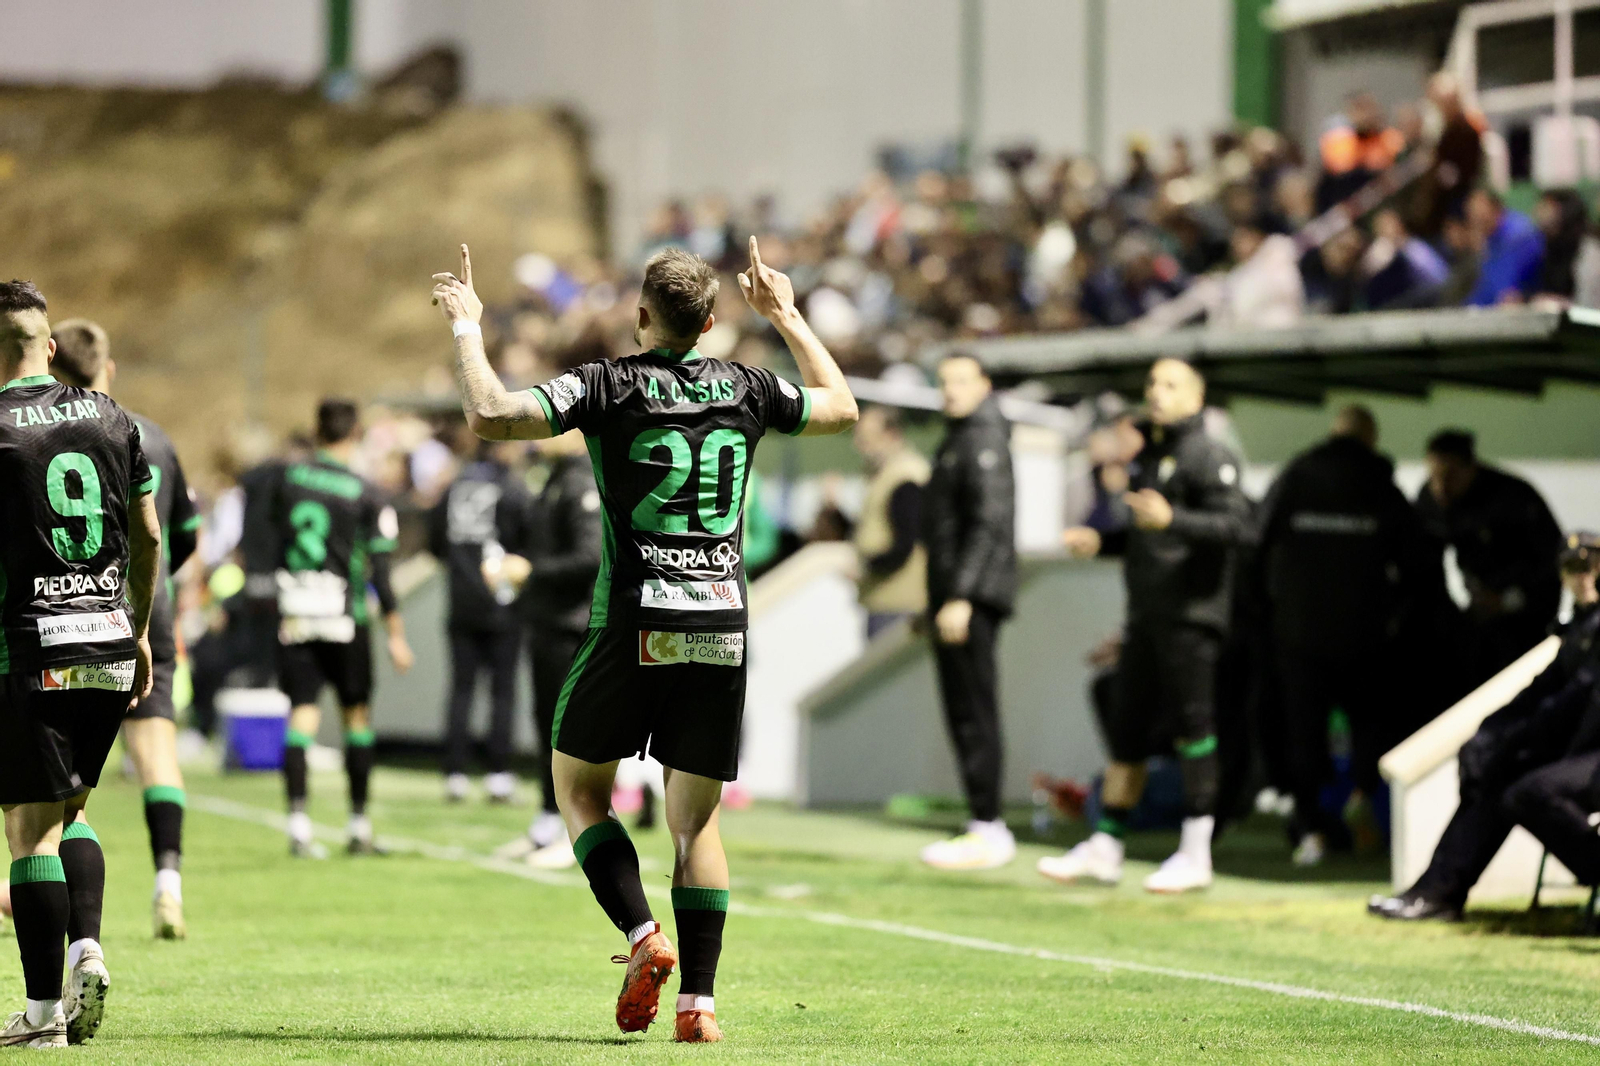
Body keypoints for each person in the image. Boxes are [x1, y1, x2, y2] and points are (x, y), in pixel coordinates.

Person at [431, 239, 857, 1042]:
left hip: (635, 619)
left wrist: (466, 327)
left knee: (579, 789)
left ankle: (641, 934)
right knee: (696, 824)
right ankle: (699, 1005)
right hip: (722, 623)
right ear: (710, 322)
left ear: (639, 315)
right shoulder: (749, 387)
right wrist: (789, 314)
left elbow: (491, 414)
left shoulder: (609, 384)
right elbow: (841, 407)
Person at [0, 279, 162, 1047]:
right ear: (52, 345)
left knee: (29, 833)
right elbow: (152, 537)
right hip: (108, 641)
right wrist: (138, 629)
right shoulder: (110, 415)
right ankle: (86, 947)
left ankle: (39, 1020)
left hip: (30, 647)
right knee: (74, 813)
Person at [1044, 359, 1250, 893]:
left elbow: (1239, 528)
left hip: (1193, 619)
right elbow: (1146, 536)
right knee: (1126, 733)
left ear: (1197, 398)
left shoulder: (1210, 455)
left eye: (1171, 385)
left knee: (1194, 735)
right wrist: (1103, 543)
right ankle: (1107, 846)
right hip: (1144, 620)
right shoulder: (1149, 457)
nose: (1157, 392)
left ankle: (1196, 852)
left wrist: (1174, 519)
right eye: (1153, 383)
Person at [49, 319, 200, 938]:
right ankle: (169, 882)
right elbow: (184, 538)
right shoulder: (153, 436)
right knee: (157, 750)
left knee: (63, 779)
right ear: (107, 369)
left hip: (69, 611)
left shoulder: (44, 432)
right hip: (148, 610)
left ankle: (61, 916)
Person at [1370, 534, 1600, 921]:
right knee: (1495, 775)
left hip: (1591, 755)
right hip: (1578, 752)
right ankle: (1439, 890)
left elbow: (1575, 698)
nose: (1584, 577)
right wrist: (1489, 734)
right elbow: (1538, 692)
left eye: (1592, 566)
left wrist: (1512, 739)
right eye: (1574, 568)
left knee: (1529, 791)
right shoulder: (1577, 630)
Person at [1252, 406, 1427, 866]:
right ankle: (1365, 805)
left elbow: (1257, 542)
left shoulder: (1295, 477)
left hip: (1299, 637)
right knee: (1371, 730)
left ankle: (1310, 830)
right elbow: (1417, 565)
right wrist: (1392, 618)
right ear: (1372, 438)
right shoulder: (1381, 487)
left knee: (1303, 738)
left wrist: (1271, 614)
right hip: (1366, 640)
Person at [249, 399, 414, 857]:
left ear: (315, 431)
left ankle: (299, 826)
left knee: (302, 714)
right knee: (355, 716)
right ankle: (358, 826)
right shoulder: (366, 492)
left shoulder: (285, 479)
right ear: (356, 433)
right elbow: (381, 572)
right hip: (346, 617)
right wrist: (397, 635)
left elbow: (263, 537)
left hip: (297, 610)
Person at [918, 355, 1018, 871]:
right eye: (944, 382)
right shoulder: (961, 436)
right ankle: (983, 822)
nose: (950, 391)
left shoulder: (982, 439)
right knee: (963, 710)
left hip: (970, 600)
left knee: (974, 711)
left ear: (985, 384)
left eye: (961, 381)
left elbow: (988, 523)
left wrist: (960, 596)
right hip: (955, 597)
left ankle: (989, 826)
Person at [492, 426, 602, 869]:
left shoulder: (582, 482)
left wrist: (529, 571)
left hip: (572, 627)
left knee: (570, 735)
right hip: (546, 622)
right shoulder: (553, 478)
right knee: (546, 727)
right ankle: (546, 823)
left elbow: (589, 556)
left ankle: (581, 831)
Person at [1415, 429, 1563, 690]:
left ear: (1470, 469)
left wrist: (1510, 600)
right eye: (1434, 476)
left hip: (1524, 615)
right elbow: (1419, 561)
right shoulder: (1430, 500)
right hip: (1478, 609)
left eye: (1449, 476)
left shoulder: (1514, 498)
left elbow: (1552, 562)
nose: (1441, 487)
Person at [427, 439, 531, 804]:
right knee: (502, 692)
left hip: (461, 602)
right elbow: (528, 540)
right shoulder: (512, 487)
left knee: (461, 690)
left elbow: (435, 542)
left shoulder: (454, 486)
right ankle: (498, 774)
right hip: (503, 604)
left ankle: (455, 773)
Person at [851, 405, 928, 639]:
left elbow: (906, 542)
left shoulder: (905, 477)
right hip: (886, 600)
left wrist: (867, 567)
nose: (860, 446)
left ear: (891, 435)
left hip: (898, 603)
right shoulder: (887, 474)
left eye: (867, 439)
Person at [1464, 188, 1547, 307]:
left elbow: (1505, 290)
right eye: (1472, 218)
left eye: (1481, 218)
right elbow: (1485, 289)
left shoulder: (1520, 235)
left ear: (1496, 209)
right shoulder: (1490, 239)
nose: (1476, 224)